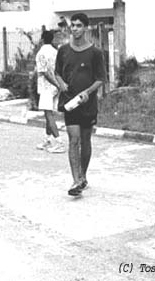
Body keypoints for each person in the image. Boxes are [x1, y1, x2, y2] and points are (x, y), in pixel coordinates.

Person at [54, 13, 106, 196]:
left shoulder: (95, 53)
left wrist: (87, 92)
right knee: (73, 139)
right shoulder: (63, 50)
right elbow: (57, 73)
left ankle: (83, 176)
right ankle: (75, 180)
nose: (74, 29)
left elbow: (101, 79)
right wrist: (60, 84)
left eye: (78, 26)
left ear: (85, 28)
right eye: (73, 26)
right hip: (70, 102)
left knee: (85, 140)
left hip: (87, 104)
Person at [35, 30, 66, 153]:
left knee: (48, 114)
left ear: (42, 40)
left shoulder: (41, 53)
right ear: (52, 39)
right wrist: (59, 84)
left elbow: (45, 72)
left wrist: (56, 84)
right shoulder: (55, 52)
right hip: (55, 87)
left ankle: (59, 142)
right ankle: (47, 139)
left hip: (47, 87)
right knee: (49, 113)